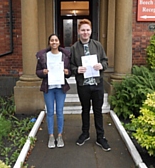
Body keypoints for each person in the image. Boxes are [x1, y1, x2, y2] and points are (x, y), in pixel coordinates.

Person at [70, 19, 111, 152]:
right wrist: (77, 70)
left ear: (91, 31)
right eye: (83, 30)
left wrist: (101, 65)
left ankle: (100, 137)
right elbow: (70, 66)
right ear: (78, 32)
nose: (85, 32)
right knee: (85, 109)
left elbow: (105, 61)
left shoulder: (97, 45)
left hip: (97, 84)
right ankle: (85, 133)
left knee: (98, 111)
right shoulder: (74, 48)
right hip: (83, 85)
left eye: (87, 30)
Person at [36, 34, 72, 149]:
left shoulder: (65, 56)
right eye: (52, 40)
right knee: (50, 112)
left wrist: (67, 72)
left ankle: (60, 135)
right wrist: (43, 72)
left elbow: (70, 71)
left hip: (60, 87)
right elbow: (37, 72)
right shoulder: (44, 56)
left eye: (56, 40)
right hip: (49, 88)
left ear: (59, 42)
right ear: (49, 42)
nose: (54, 42)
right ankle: (51, 136)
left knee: (60, 111)